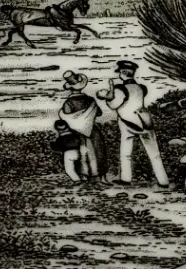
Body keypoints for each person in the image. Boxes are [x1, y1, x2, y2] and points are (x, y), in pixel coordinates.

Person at [102, 59, 170, 187]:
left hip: (127, 123)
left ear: (123, 73)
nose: (119, 74)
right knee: (154, 154)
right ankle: (164, 181)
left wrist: (107, 97)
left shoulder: (120, 89)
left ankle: (126, 179)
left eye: (120, 72)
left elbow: (113, 105)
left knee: (126, 152)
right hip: (145, 120)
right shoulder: (141, 87)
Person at [53, 70, 103, 182]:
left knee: (81, 154)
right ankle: (96, 176)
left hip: (76, 133)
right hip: (92, 131)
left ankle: (83, 176)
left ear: (70, 88)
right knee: (95, 153)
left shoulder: (68, 103)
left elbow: (66, 119)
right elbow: (99, 113)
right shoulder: (90, 100)